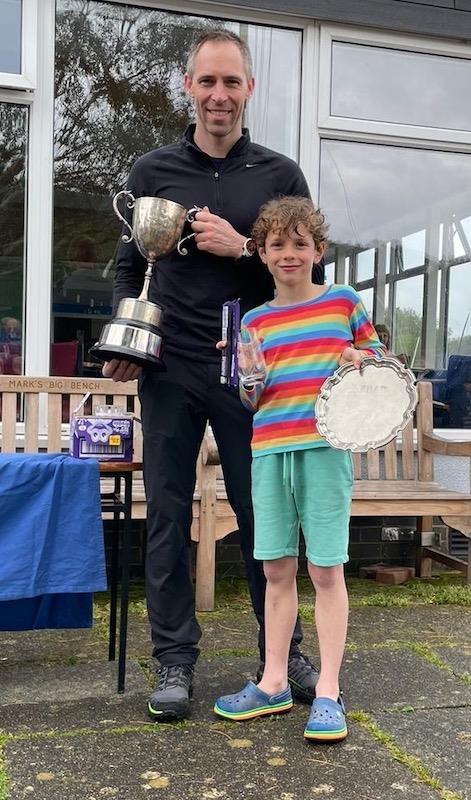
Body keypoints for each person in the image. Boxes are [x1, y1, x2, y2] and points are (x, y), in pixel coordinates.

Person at [103, 30, 323, 722]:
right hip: (169, 366)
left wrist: (243, 250)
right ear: (187, 87)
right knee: (166, 515)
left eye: (231, 82)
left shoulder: (280, 175)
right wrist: (124, 336)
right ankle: (173, 660)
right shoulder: (151, 171)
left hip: (252, 371)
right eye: (207, 82)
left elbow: (307, 275)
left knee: (266, 517)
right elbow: (128, 268)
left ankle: (280, 654)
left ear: (248, 89)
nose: (218, 95)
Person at [214, 196, 385, 742]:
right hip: (268, 452)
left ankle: (329, 690)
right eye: (277, 245)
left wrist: (360, 362)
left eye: (300, 243)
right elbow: (250, 398)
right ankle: (273, 681)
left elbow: (378, 368)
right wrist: (248, 377)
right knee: (275, 572)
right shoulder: (255, 322)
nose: (289, 254)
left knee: (327, 571)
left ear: (318, 250)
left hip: (325, 451)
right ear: (261, 254)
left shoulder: (343, 303)